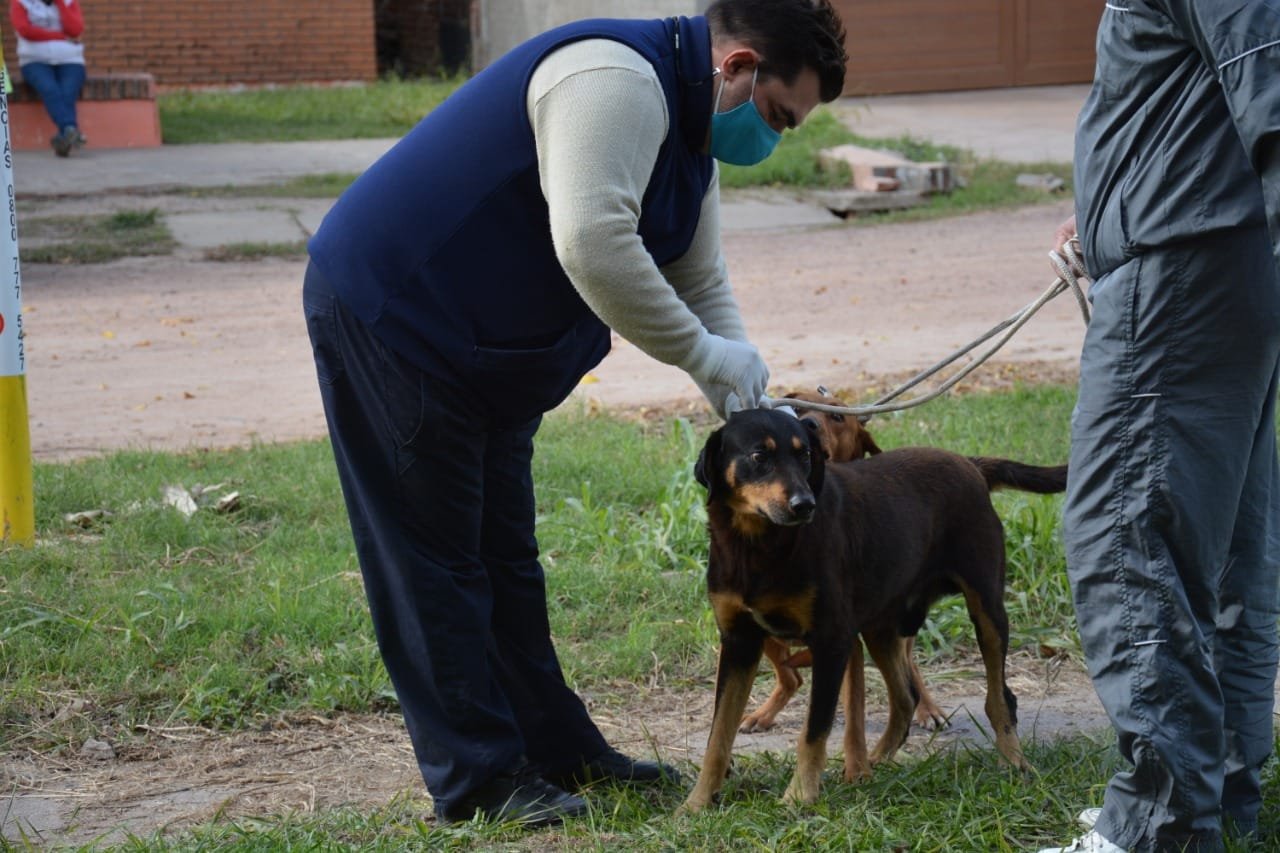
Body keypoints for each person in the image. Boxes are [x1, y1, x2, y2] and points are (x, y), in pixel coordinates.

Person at [302, 0, 848, 827]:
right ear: (736, 66)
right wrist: (706, 357)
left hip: (484, 353)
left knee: (507, 556)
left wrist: (747, 396)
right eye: (777, 115)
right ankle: (478, 778)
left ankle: (557, 748)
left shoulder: (690, 139)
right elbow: (593, 242)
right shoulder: (614, 81)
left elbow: (699, 283)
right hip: (399, 318)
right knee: (437, 560)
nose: (773, 138)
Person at [1042, 3, 1280, 852]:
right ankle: (1217, 796)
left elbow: (1269, 83)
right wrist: (1107, 207)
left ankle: (1158, 828)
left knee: (1131, 542)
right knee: (1220, 557)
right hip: (1206, 256)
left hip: (1182, 273)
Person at [9, 0, 86, 157]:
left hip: (70, 59)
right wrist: (58, 35)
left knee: (68, 92)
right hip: (34, 60)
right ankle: (69, 128)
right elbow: (24, 30)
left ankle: (64, 137)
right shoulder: (21, 3)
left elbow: (75, 29)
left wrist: (60, 4)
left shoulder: (68, 2)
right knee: (49, 89)